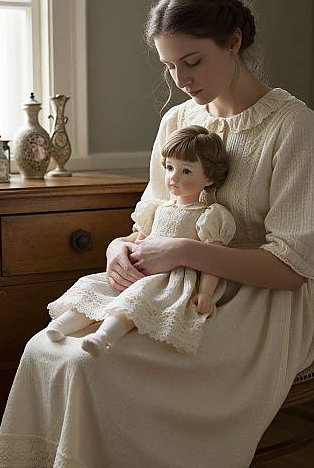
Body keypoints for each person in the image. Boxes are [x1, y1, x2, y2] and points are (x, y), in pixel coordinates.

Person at [0, 0, 314, 468]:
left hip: (259, 302)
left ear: (233, 42)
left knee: (97, 367)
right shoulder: (176, 122)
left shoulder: (291, 125)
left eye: (192, 61)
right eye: (170, 66)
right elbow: (152, 221)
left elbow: (291, 266)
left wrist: (184, 252)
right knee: (47, 349)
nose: (181, 79)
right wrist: (119, 248)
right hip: (168, 284)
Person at [46, 125, 235, 357]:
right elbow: (142, 238)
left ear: (208, 178)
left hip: (167, 280)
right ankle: (60, 326)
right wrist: (123, 254)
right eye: (169, 167)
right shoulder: (156, 208)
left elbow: (212, 259)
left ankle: (102, 337)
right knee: (96, 287)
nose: (173, 177)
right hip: (138, 269)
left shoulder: (209, 216)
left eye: (186, 171)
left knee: (135, 301)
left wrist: (205, 293)